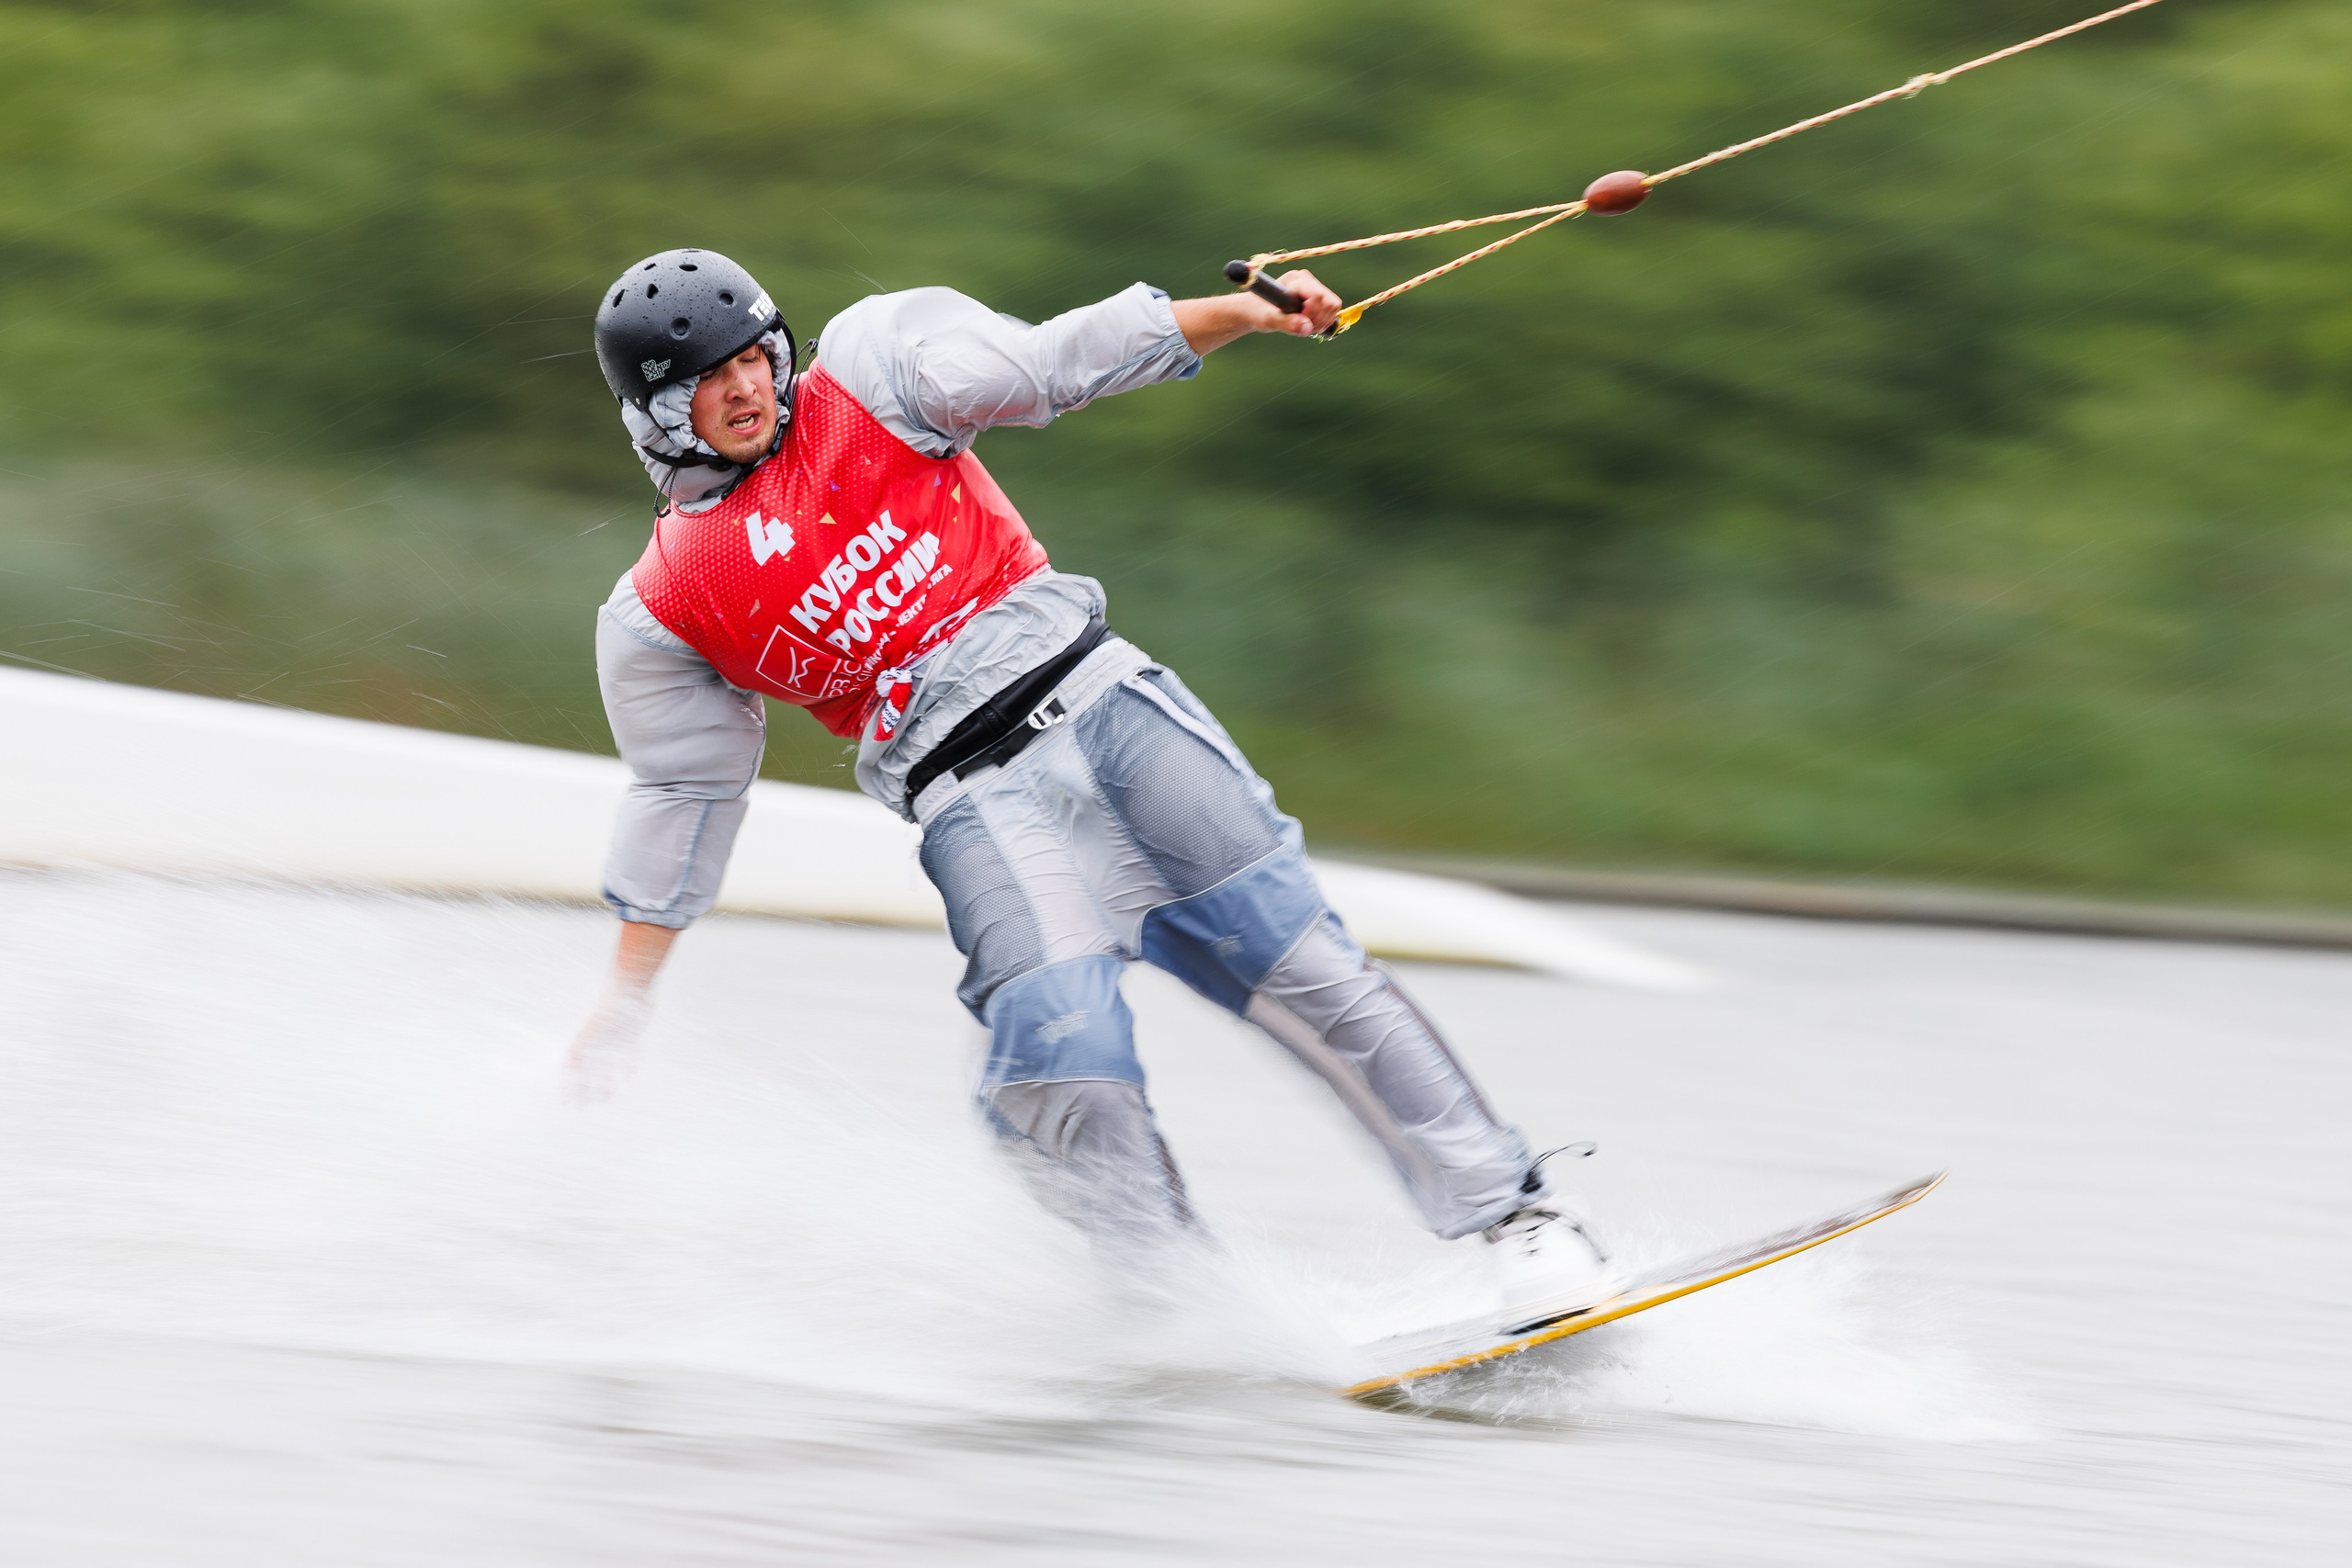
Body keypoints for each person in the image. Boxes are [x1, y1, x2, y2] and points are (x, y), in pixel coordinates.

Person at [573, 247, 1608, 1314]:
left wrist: (1243, 314)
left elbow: (1057, 358)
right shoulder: (661, 609)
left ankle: (1519, 1219)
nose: (745, 388)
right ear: (653, 409)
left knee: (1309, 970)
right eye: (704, 377)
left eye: (753, 356)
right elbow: (681, 799)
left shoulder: (874, 375)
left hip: (1111, 710)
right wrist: (626, 996)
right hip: (973, 799)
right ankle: (1186, 1309)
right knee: (1068, 1056)